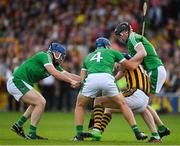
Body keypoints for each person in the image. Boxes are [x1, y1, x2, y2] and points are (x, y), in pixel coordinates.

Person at [73, 37, 147, 141]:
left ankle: (79, 135)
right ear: (107, 46)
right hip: (107, 78)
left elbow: (82, 78)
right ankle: (137, 132)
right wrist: (140, 58)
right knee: (123, 104)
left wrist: (78, 83)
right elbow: (130, 66)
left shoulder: (88, 56)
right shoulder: (113, 52)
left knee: (80, 105)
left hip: (91, 79)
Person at [6, 42, 81, 140]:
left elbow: (69, 74)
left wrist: (84, 79)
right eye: (59, 55)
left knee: (36, 103)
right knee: (41, 102)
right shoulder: (44, 55)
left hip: (21, 82)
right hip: (17, 81)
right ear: (52, 52)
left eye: (62, 56)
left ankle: (18, 125)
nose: (61, 58)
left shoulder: (53, 64)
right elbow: (54, 73)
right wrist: (71, 81)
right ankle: (31, 134)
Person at [88, 54, 163, 143]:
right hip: (145, 98)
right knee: (109, 109)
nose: (118, 64)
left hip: (135, 94)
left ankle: (96, 130)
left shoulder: (128, 65)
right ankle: (156, 136)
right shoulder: (139, 67)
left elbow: (115, 76)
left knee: (98, 100)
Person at [114, 22, 170, 137]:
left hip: (154, 70)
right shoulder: (133, 41)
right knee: (143, 104)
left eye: (120, 35)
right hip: (154, 70)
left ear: (125, 32)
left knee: (143, 104)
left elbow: (143, 53)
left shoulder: (133, 38)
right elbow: (134, 63)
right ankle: (161, 128)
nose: (120, 38)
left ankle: (159, 130)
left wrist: (128, 62)